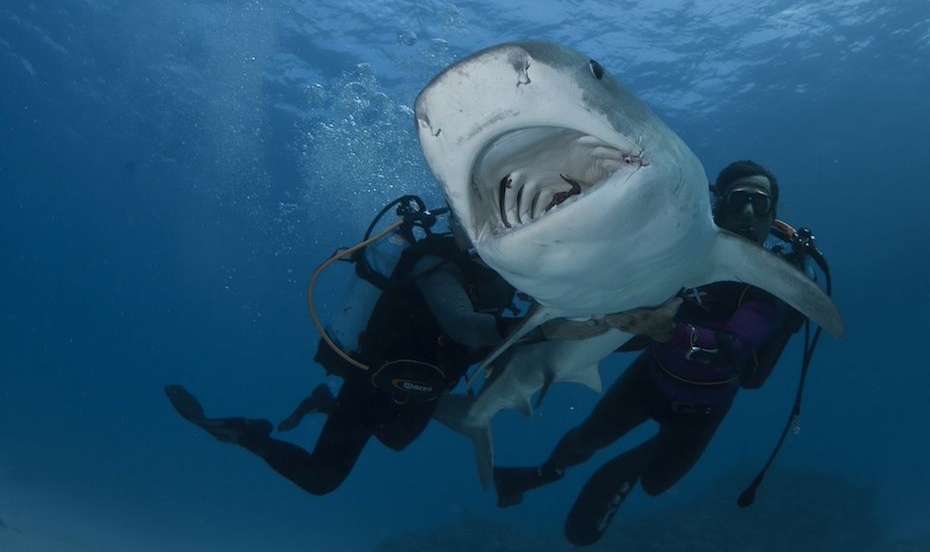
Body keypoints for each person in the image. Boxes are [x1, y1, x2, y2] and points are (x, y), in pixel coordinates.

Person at [492, 160, 810, 546]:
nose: (746, 212)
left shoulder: (775, 280)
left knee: (657, 485)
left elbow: (736, 350)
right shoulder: (680, 251)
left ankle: (636, 460)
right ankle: (546, 473)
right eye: (738, 200)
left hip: (706, 404)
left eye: (759, 204)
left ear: (772, 215)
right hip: (650, 377)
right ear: (718, 205)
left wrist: (667, 331)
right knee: (583, 440)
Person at [166, 214, 521, 495]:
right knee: (322, 479)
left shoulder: (511, 274)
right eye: (463, 219)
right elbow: (460, 324)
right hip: (373, 381)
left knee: (397, 440)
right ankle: (248, 436)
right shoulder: (435, 262)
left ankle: (324, 401)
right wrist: (537, 328)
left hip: (426, 384)